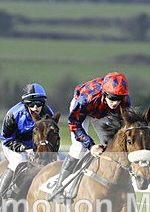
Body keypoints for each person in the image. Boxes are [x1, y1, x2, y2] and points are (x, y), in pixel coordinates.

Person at [49, 71, 131, 200]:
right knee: (78, 148)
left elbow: (122, 124)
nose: (115, 103)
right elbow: (74, 123)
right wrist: (91, 146)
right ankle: (59, 187)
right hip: (82, 112)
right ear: (104, 93)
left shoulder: (125, 100)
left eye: (118, 99)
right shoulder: (87, 98)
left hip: (102, 113)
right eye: (111, 97)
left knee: (111, 145)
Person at [0, 83, 56, 206]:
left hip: (34, 145)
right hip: (13, 143)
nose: (36, 107)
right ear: (25, 104)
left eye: (39, 104)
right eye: (32, 104)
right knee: (19, 161)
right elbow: (6, 138)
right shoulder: (13, 114)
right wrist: (23, 148)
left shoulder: (48, 114)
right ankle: (1, 193)